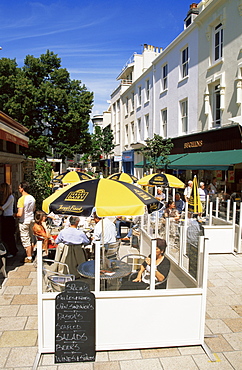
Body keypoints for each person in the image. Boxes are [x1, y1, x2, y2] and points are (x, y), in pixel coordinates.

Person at [15, 181, 36, 263]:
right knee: (31, 237)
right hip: (31, 219)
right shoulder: (32, 198)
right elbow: (33, 209)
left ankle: (29, 257)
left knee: (25, 238)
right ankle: (32, 253)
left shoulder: (21, 199)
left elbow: (20, 214)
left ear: (22, 189)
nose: (19, 189)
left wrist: (14, 215)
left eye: (19, 188)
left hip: (24, 220)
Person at [0, 183, 18, 258]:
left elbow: (3, 207)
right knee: (5, 236)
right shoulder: (6, 197)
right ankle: (9, 250)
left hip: (9, 218)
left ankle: (13, 251)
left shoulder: (10, 197)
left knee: (9, 236)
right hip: (4, 218)